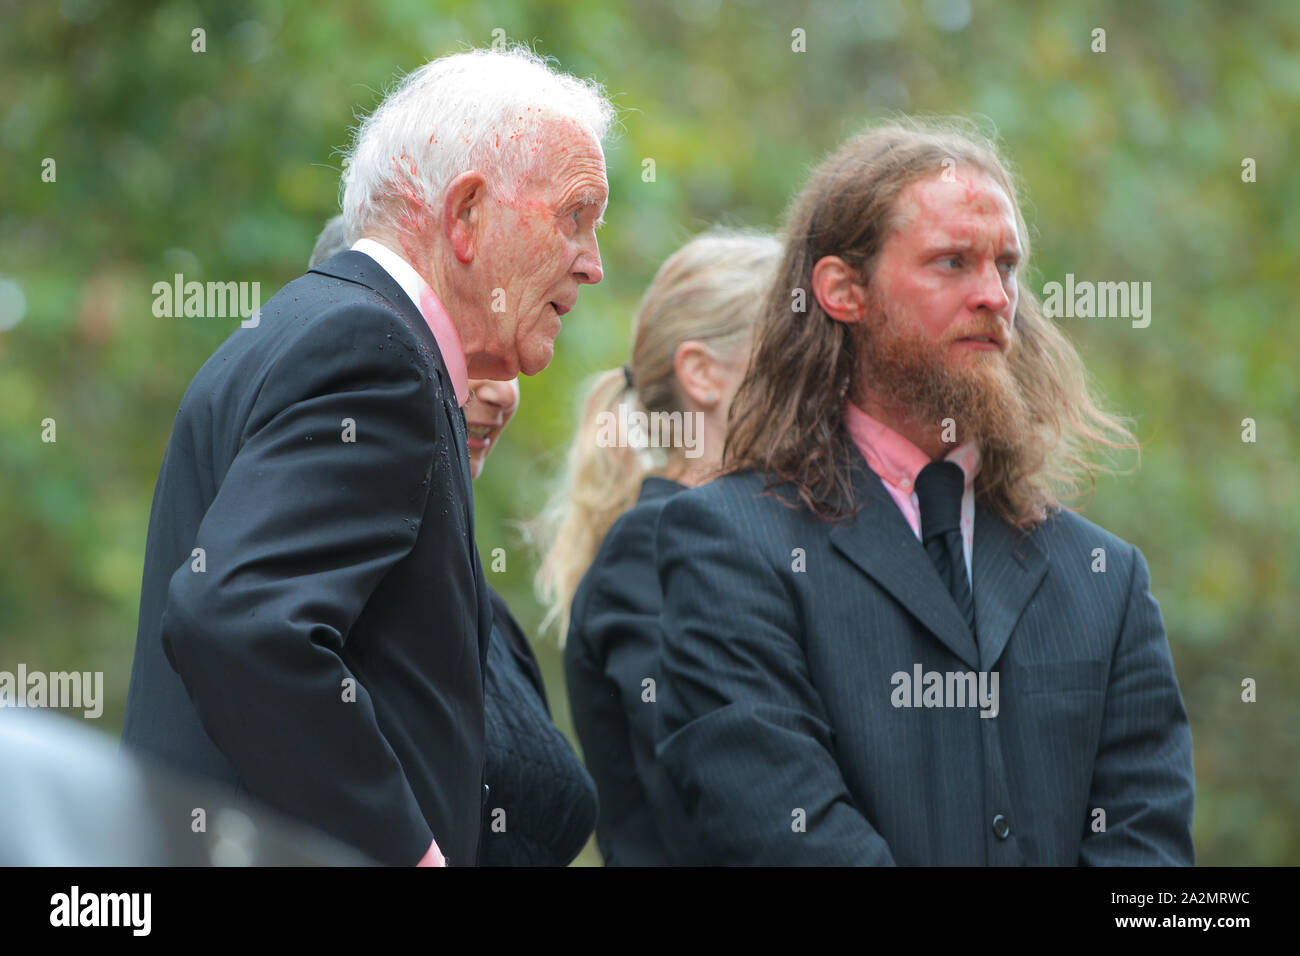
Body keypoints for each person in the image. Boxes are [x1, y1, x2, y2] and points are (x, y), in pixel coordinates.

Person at [653, 120, 1196, 865]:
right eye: (952, 263)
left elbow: (1150, 862)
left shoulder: (1107, 579)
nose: (994, 297)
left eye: (1006, 266)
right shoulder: (729, 545)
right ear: (843, 291)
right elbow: (785, 835)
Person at [120, 46, 612, 867]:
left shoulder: (306, 324)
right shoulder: (375, 347)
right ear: (465, 216)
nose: (592, 264)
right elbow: (237, 624)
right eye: (576, 216)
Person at [534, 231, 782, 864]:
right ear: (703, 375)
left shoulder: (737, 531)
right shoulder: (653, 546)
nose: (831, 382)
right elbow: (726, 789)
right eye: (793, 355)